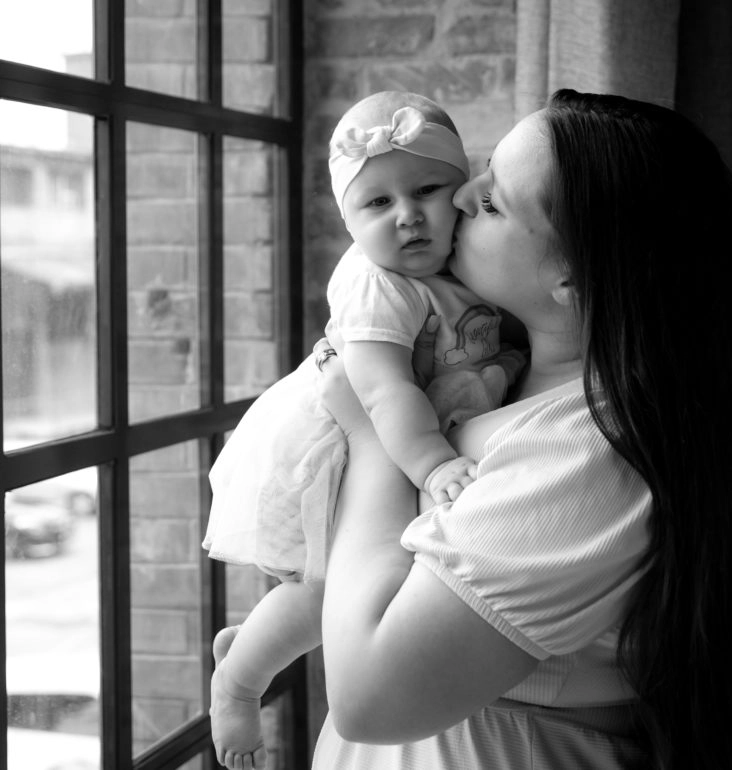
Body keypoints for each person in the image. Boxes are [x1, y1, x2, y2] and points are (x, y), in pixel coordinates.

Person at [310, 89, 732, 769]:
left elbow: (368, 698)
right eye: (482, 172)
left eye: (494, 202)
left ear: (571, 280)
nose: (461, 196)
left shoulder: (589, 455)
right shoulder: (500, 367)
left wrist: (371, 431)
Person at [205, 91, 525, 769]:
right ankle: (240, 677)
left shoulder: (462, 263)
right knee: (327, 589)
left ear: (464, 190)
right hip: (352, 445)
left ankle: (248, 649)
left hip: (408, 441)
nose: (407, 215)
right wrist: (433, 463)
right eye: (377, 203)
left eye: (427, 190)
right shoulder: (377, 282)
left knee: (392, 587)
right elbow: (382, 390)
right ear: (348, 221)